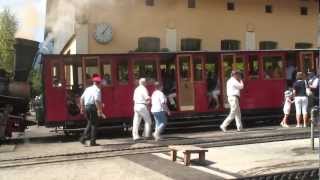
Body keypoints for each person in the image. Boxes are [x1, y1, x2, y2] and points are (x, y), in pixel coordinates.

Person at [79, 74, 106, 146]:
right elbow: (97, 100)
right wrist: (99, 110)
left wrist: (82, 108)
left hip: (87, 107)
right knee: (94, 125)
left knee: (90, 123)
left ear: (94, 82)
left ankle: (83, 138)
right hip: (93, 108)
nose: (101, 85)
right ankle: (92, 141)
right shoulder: (97, 90)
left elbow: (81, 98)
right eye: (100, 83)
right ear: (99, 83)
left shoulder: (88, 89)